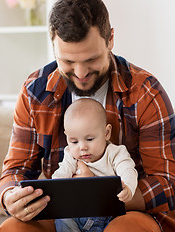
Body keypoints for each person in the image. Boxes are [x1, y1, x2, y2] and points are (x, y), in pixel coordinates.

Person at [0, 0, 175, 232]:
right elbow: (15, 170)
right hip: (63, 216)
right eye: (68, 61)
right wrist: (11, 197)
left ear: (110, 40)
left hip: (130, 213)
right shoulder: (35, 92)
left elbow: (169, 185)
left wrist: (102, 194)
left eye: (91, 59)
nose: (81, 72)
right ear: (53, 45)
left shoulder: (145, 92)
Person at [52, 98, 138, 232]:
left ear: (106, 133)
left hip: (107, 216)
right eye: (74, 141)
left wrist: (128, 188)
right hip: (77, 214)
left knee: (123, 224)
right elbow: (59, 178)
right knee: (62, 218)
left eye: (90, 139)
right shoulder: (70, 156)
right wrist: (55, 191)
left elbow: (128, 170)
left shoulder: (115, 153)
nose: (82, 147)